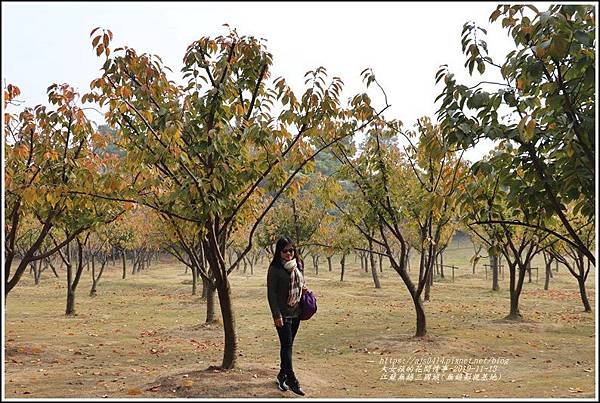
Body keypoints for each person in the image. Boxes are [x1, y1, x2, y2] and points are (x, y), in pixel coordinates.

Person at [267, 236, 308, 396]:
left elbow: (301, 283)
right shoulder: (275, 269)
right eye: (285, 251)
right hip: (283, 315)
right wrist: (276, 314)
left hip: (296, 312)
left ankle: (281, 375)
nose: (289, 253)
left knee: (288, 346)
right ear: (279, 252)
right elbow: (271, 294)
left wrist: (303, 289)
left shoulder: (299, 265)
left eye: (291, 250)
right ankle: (291, 379)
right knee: (287, 345)